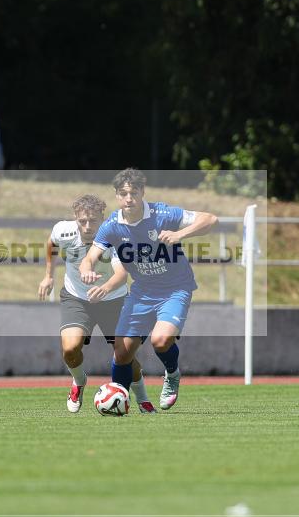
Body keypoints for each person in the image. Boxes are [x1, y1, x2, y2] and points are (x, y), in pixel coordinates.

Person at [79, 168, 218, 410]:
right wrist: (86, 270)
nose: (129, 198)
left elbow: (210, 219)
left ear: (143, 192)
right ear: (116, 196)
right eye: (123, 193)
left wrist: (179, 234)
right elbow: (89, 257)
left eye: (134, 192)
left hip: (176, 288)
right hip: (142, 292)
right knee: (122, 354)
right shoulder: (111, 226)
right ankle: (118, 403)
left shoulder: (163, 214)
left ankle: (172, 374)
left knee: (161, 340)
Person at [38, 194, 156, 414]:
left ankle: (142, 399)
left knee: (124, 355)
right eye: (83, 221)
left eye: (93, 220)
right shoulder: (63, 230)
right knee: (71, 348)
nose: (88, 226)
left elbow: (122, 273)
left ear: (102, 218)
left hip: (113, 301)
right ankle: (79, 382)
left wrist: (104, 289)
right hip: (76, 298)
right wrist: (48, 276)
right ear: (76, 218)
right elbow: (51, 243)